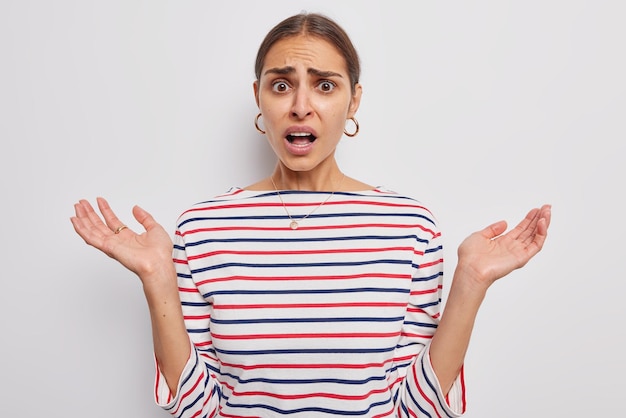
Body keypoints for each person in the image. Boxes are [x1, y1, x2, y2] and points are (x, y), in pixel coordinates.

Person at [71, 12, 551, 418]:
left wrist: (470, 282)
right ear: (259, 97)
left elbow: (415, 409)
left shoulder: (410, 227)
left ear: (353, 100)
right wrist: (156, 275)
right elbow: (197, 408)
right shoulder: (203, 228)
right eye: (281, 85)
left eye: (324, 86)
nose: (301, 107)